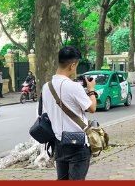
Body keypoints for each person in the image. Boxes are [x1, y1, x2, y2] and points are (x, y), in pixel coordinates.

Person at [41, 46, 96, 180]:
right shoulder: (74, 86)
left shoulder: (46, 87)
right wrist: (91, 90)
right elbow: (92, 108)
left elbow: (45, 114)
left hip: (59, 143)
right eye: (76, 65)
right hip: (78, 144)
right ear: (72, 65)